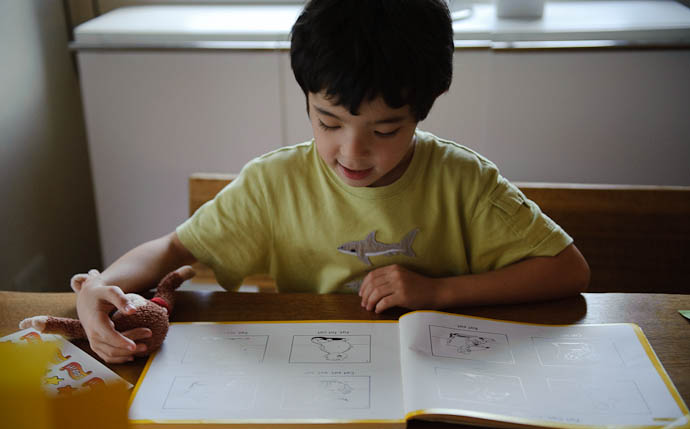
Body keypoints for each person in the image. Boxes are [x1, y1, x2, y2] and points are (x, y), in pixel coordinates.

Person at [75, 0, 590, 363]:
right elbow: (169, 249)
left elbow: (567, 271)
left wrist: (438, 291)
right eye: (327, 122)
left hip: (442, 370)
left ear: (422, 111)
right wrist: (102, 287)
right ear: (306, 99)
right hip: (321, 369)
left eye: (385, 130)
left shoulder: (463, 181)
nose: (352, 152)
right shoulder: (274, 184)